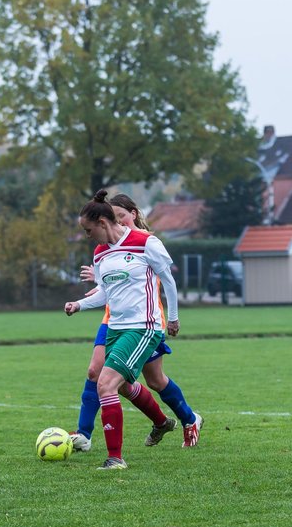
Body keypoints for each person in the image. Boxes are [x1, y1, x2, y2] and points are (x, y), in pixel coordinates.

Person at [69, 194, 202, 452]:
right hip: (113, 320)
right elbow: (106, 287)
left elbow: (165, 281)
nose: (119, 222)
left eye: (121, 216)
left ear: (132, 214)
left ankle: (184, 419)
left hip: (144, 322)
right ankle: (84, 434)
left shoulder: (146, 243)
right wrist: (83, 298)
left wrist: (173, 318)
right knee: (98, 374)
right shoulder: (102, 251)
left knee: (154, 380)